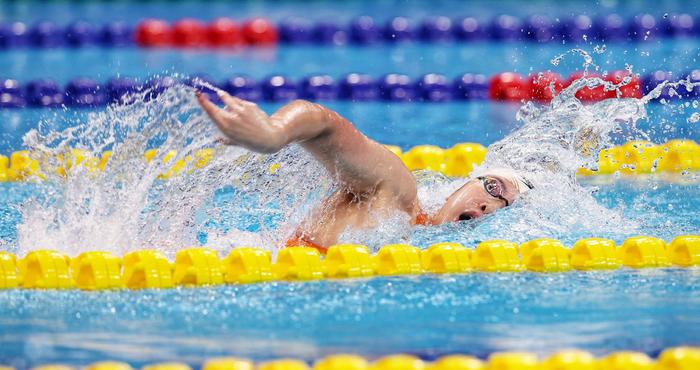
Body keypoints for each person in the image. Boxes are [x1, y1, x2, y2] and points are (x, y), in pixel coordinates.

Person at [196, 90, 532, 253]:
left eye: (505, 207)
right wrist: (275, 133)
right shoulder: (398, 195)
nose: (491, 206)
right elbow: (325, 124)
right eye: (493, 187)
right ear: (464, 184)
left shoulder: (418, 249)